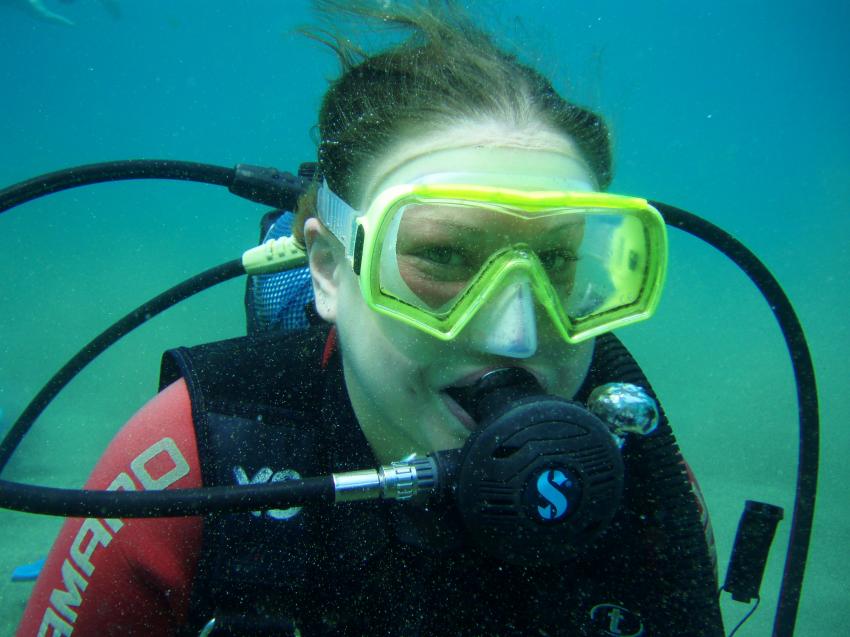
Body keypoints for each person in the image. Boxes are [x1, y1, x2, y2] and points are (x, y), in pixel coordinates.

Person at [17, 2, 723, 635]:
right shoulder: (199, 452)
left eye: (560, 261)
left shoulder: (630, 437)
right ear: (327, 267)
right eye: (443, 254)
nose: (517, 335)